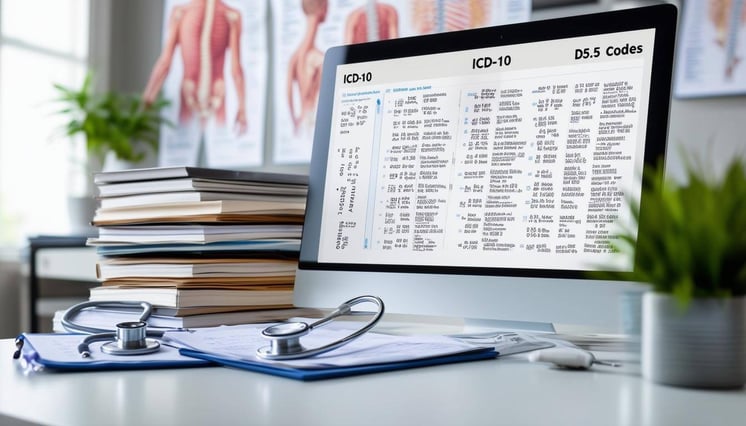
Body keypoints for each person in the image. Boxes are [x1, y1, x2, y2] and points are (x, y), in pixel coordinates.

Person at [143, 0, 247, 135]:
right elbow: (236, 69)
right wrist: (242, 108)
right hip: (207, 92)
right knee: (217, 136)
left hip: (198, 93)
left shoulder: (181, 13)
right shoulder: (231, 16)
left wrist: (147, 99)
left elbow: (164, 63)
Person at [287, 0, 327, 135]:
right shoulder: (318, 58)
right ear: (323, 8)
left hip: (303, 123)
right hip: (313, 123)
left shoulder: (295, 57)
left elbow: (289, 93)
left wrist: (294, 121)